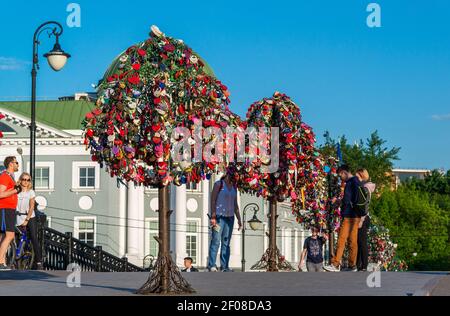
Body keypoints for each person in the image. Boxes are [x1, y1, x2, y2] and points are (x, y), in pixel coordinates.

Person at [324, 165, 361, 272]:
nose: (340, 178)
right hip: (356, 215)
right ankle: (352, 265)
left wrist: (340, 202)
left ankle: (335, 264)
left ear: (344, 172)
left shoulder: (351, 182)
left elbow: (350, 199)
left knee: (341, 240)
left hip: (349, 215)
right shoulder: (356, 181)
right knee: (352, 241)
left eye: (340, 175)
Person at [207, 168, 242, 272]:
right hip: (219, 217)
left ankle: (224, 266)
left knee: (226, 242)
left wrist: (239, 219)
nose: (235, 177)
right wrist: (213, 216)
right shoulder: (219, 184)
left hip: (230, 218)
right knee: (216, 241)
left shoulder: (234, 187)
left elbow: (235, 205)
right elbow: (213, 200)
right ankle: (212, 265)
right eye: (234, 175)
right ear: (228, 174)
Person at [16, 172, 43, 270]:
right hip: (18, 217)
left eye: (28, 180)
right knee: (17, 238)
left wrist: (27, 219)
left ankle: (39, 261)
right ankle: (16, 260)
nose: (26, 181)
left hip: (30, 217)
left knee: (33, 237)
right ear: (20, 180)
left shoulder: (31, 192)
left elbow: (31, 206)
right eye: (24, 179)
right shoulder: (16, 191)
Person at [0, 156, 21, 271]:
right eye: (16, 162)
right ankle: (0, 262)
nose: (18, 164)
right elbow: (0, 194)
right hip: (5, 208)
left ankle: (2, 262)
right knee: (9, 235)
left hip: (9, 209)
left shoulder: (10, 177)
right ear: (11, 164)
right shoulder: (4, 176)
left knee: (4, 236)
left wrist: (15, 188)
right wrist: (15, 190)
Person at [355, 169, 376, 272]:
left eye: (357, 176)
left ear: (361, 175)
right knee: (358, 241)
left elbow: (365, 206)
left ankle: (363, 265)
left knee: (362, 242)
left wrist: (361, 220)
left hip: (363, 218)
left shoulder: (365, 188)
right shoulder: (363, 187)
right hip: (361, 217)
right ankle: (358, 264)